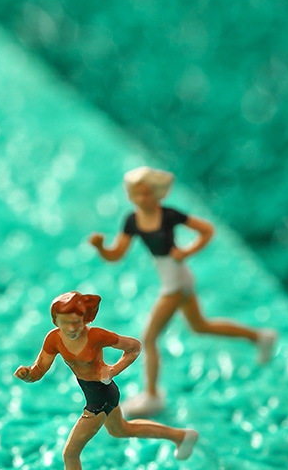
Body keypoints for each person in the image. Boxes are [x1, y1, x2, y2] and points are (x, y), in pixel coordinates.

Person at [89, 166, 276, 415]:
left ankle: (152, 396)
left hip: (176, 280)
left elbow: (207, 230)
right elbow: (116, 254)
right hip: (171, 276)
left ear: (157, 193)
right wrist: (101, 247)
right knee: (201, 326)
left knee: (149, 337)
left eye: (147, 193)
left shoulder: (168, 215)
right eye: (137, 194)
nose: (142, 199)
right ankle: (260, 337)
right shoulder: (132, 220)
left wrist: (187, 251)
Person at [14, 290, 198, 470]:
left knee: (70, 452)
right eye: (66, 322)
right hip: (94, 393)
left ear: (85, 319)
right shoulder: (53, 339)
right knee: (122, 430)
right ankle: (181, 436)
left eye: (77, 322)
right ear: (56, 321)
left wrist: (113, 370)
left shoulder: (96, 336)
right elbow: (39, 370)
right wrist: (27, 375)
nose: (72, 328)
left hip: (101, 395)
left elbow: (134, 347)